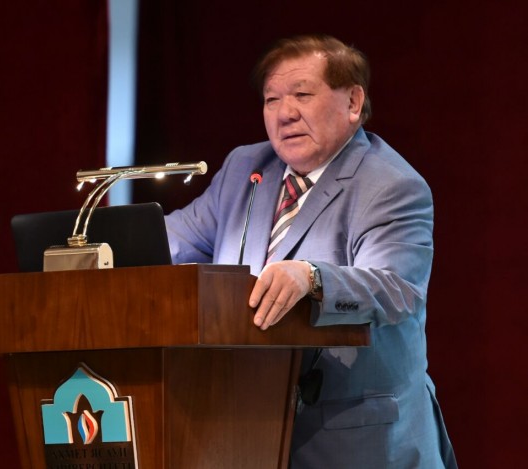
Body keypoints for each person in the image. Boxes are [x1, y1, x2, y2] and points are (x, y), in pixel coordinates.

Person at [165, 34, 457, 468]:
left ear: (353, 102)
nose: (285, 113)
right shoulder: (247, 169)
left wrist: (313, 278)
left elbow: (397, 289)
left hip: (358, 440)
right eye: (271, 99)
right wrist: (102, 248)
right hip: (247, 431)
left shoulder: (391, 185)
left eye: (302, 95)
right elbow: (171, 241)